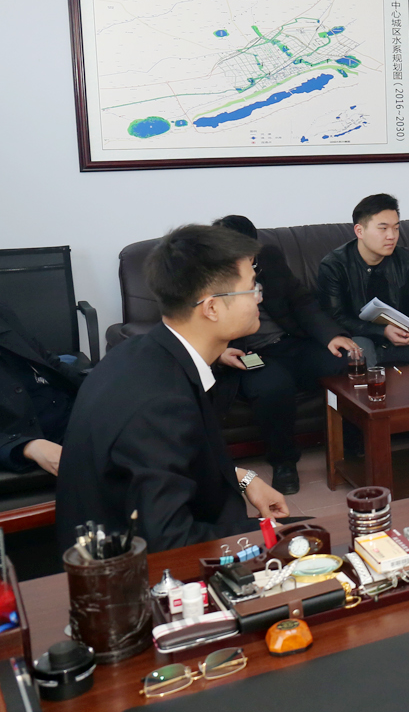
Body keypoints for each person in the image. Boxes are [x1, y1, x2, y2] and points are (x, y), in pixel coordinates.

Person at [55, 225, 290, 552]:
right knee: (316, 538)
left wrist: (244, 478)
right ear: (212, 308)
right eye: (252, 287)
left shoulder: (145, 352)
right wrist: (261, 538)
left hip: (154, 538)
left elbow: (178, 459)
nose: (259, 297)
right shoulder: (160, 404)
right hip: (131, 568)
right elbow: (170, 542)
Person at [212, 216, 358, 495]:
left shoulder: (270, 259)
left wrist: (331, 336)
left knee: (343, 361)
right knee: (273, 386)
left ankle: (352, 446)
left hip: (290, 343)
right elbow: (196, 325)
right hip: (250, 353)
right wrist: (219, 354)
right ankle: (284, 463)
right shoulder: (206, 274)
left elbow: (301, 301)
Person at [317, 194, 409, 368]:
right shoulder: (334, 265)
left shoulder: (405, 258)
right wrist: (382, 331)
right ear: (359, 231)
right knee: (359, 347)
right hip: (362, 338)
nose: (391, 236)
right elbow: (335, 318)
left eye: (396, 228)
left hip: (402, 338)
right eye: (383, 228)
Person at [0, 298, 85, 476]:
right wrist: (30, 447)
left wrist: (100, 382)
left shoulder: (3, 310)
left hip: (73, 415)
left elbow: (46, 360)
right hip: (32, 440)